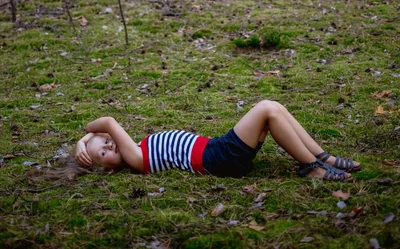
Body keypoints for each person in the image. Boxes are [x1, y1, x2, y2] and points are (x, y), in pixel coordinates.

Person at [75, 100, 360, 182]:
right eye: (103, 152)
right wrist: (89, 134)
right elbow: (109, 122)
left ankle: (323, 158)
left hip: (216, 150)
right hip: (218, 158)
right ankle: (311, 166)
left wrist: (84, 139)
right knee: (267, 109)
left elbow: (105, 129)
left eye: (105, 142)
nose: (110, 144)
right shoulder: (137, 161)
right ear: (108, 169)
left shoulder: (137, 147)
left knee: (275, 108)